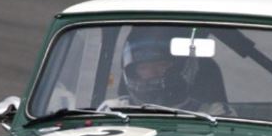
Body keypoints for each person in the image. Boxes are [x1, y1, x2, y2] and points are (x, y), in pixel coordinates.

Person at [101, 27, 235, 116]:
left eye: (162, 65)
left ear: (181, 67)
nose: (152, 73)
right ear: (133, 73)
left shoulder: (214, 114)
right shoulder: (113, 111)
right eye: (143, 68)